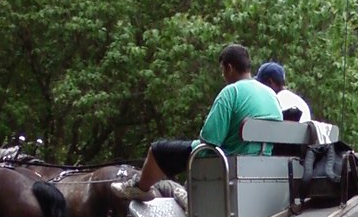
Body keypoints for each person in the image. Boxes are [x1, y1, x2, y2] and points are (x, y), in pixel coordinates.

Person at [112, 44, 283, 201]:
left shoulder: (231, 92)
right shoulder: (271, 96)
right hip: (261, 166)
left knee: (158, 150)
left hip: (226, 163)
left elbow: (209, 139)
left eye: (222, 70)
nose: (223, 75)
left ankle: (140, 188)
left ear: (229, 68)